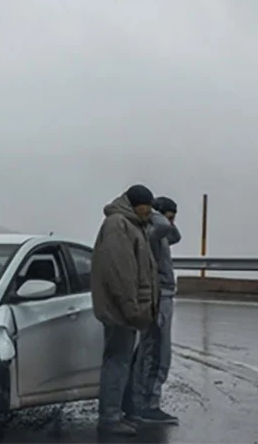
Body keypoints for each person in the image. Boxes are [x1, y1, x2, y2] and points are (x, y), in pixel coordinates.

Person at [90, 184, 159, 436]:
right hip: (120, 311)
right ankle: (109, 417)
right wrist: (132, 308)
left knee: (122, 362)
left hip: (126, 310)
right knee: (116, 363)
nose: (150, 211)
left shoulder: (133, 225)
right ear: (135, 204)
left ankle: (118, 413)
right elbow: (120, 273)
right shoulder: (118, 225)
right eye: (146, 205)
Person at [124, 196, 181, 425]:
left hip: (165, 293)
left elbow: (175, 236)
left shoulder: (161, 233)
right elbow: (165, 227)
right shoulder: (152, 230)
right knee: (155, 351)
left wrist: (168, 219)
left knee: (155, 349)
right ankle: (146, 404)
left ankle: (145, 402)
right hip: (158, 294)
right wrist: (158, 213)